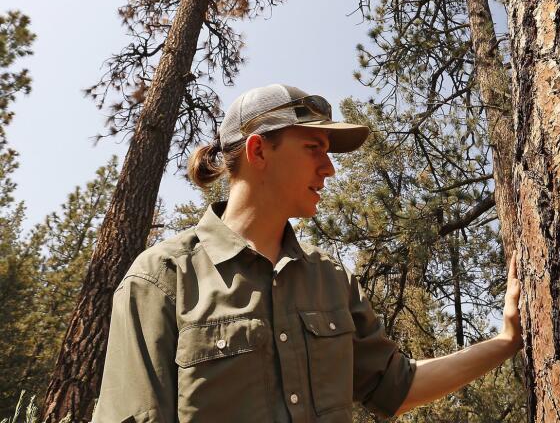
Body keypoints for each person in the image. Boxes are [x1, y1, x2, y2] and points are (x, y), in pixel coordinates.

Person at [92, 83, 523, 423]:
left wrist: (506, 343)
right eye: (314, 148)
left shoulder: (330, 279)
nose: (330, 167)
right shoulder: (161, 277)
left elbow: (399, 386)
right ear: (259, 150)